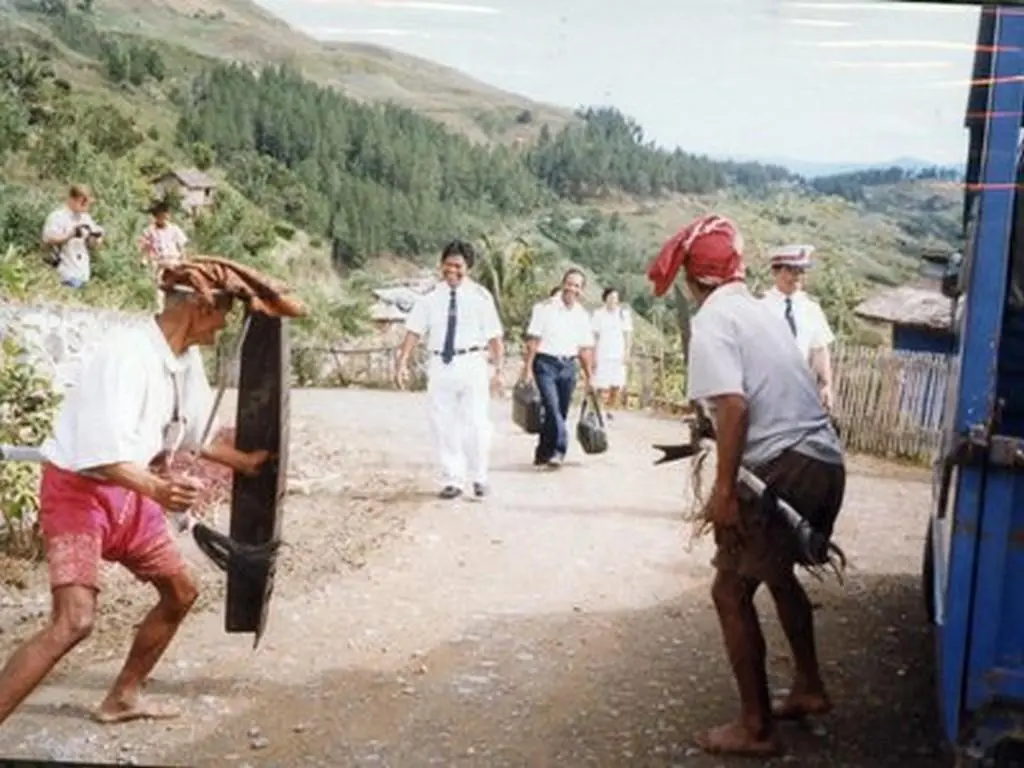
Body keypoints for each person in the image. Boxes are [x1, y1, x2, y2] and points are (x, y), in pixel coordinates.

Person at [0, 257, 299, 727]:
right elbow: (99, 455)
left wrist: (245, 463)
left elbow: (193, 434)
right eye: (224, 313)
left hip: (133, 494)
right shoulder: (126, 355)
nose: (224, 325)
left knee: (181, 593)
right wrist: (160, 489)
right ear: (201, 306)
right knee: (74, 621)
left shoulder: (184, 360)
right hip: (80, 493)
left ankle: (122, 697)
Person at [647, 214, 845, 757]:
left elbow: (734, 408)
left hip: (785, 465)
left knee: (730, 590)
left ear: (693, 279)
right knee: (777, 574)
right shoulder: (759, 311)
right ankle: (808, 686)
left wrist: (724, 493)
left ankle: (756, 728)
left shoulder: (713, 320)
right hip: (823, 462)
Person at [395, 240, 505, 500]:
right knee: (443, 423)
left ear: (469, 268)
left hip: (472, 363)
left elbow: (495, 336)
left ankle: (479, 477)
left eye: (458, 266)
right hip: (440, 365)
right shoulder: (430, 298)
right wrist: (402, 362)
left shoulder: (481, 297)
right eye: (447, 265)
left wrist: (499, 370)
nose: (452, 271)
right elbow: (414, 331)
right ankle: (452, 479)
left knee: (476, 423)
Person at [520, 267, 596, 468]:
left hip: (568, 366)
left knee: (560, 411)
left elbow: (585, 349)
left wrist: (590, 377)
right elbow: (533, 341)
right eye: (569, 284)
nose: (572, 289)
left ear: (582, 290)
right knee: (552, 407)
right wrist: (527, 368)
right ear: (563, 284)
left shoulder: (582, 315)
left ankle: (543, 452)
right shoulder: (544, 308)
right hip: (545, 364)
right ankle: (559, 451)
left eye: (577, 286)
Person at [759, 245, 836, 412]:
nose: (797, 277)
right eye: (790, 270)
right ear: (775, 272)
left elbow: (819, 350)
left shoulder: (811, 309)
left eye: (801, 271)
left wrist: (826, 385)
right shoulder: (759, 308)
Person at [41, 184, 105, 289]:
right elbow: (48, 239)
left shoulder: (86, 218)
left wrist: (96, 238)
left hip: (83, 273)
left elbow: (93, 245)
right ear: (72, 199)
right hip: (65, 272)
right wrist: (70, 235)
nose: (85, 206)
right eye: (82, 202)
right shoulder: (57, 217)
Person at [139, 199, 189, 310]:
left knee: (178, 287)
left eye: (165, 214)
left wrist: (184, 260)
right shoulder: (149, 231)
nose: (163, 217)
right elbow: (145, 247)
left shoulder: (174, 229)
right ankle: (160, 310)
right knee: (160, 289)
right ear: (156, 216)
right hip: (159, 263)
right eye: (160, 215)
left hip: (174, 262)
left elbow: (182, 247)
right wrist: (144, 259)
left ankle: (178, 309)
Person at [590, 287, 633, 410]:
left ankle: (610, 409)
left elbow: (627, 335)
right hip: (603, 353)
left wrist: (627, 352)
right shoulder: (598, 314)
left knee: (617, 384)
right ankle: (598, 409)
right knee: (601, 383)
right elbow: (595, 336)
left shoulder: (623, 314)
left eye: (616, 298)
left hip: (618, 353)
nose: (614, 300)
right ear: (605, 298)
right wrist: (594, 354)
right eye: (611, 297)